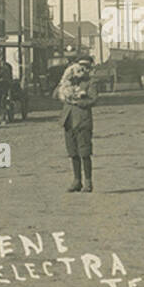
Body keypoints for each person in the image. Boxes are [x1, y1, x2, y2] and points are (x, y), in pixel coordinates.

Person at [57, 54, 98, 192]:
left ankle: (88, 181)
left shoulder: (90, 83)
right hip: (68, 121)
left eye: (86, 67)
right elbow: (54, 94)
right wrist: (63, 82)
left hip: (82, 121)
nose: (83, 70)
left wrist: (77, 101)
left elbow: (93, 100)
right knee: (73, 152)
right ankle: (77, 180)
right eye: (81, 67)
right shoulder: (69, 81)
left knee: (84, 152)